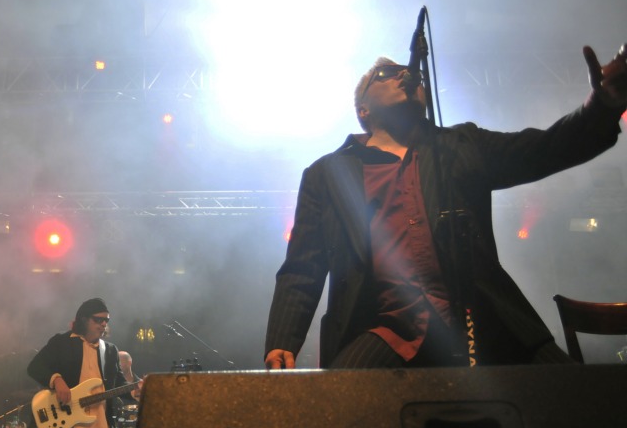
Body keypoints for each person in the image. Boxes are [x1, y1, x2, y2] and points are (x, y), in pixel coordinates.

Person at [265, 45, 627, 370]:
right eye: (387, 73)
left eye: (412, 73)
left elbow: (544, 149)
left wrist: (603, 106)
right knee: (334, 409)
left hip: (484, 317)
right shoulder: (327, 174)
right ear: (363, 108)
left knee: (579, 400)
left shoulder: (461, 144)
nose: (407, 74)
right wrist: (283, 341)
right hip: (384, 327)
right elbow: (304, 264)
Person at [27, 298, 136, 428]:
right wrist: (57, 380)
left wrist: (136, 390)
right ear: (84, 319)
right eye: (98, 320)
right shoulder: (62, 342)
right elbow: (35, 367)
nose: (103, 324)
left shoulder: (110, 351)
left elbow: (119, 385)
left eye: (106, 320)